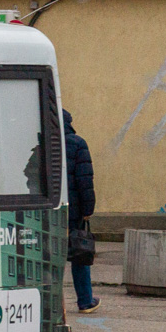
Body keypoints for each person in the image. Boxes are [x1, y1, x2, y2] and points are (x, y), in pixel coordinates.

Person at [63, 110, 100, 314]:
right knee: (79, 253)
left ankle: (49, 303)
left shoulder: (42, 143)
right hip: (73, 210)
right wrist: (87, 210)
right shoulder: (77, 143)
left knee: (49, 255)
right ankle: (85, 301)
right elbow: (85, 180)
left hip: (47, 209)